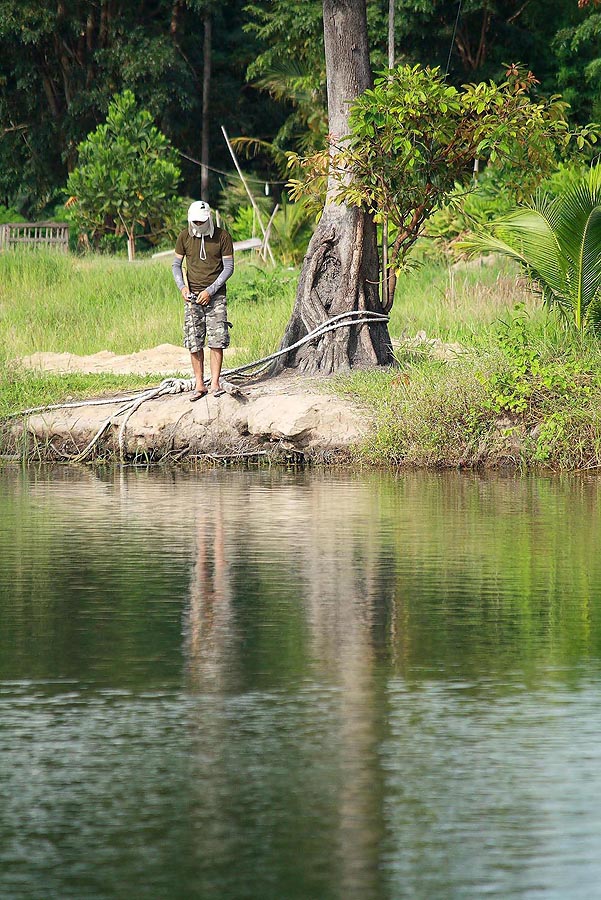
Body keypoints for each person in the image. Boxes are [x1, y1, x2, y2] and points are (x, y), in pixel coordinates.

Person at [172, 200, 234, 400]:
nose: (198, 225)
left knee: (217, 340)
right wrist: (182, 286)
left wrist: (211, 290)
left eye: (201, 222)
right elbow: (176, 265)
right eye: (194, 222)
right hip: (192, 298)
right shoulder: (184, 236)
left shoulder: (222, 237)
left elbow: (228, 268)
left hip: (215, 297)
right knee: (194, 341)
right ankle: (199, 383)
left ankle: (215, 382)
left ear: (208, 218)